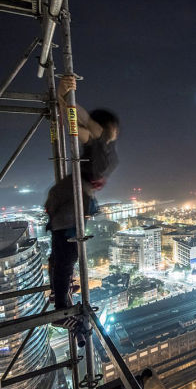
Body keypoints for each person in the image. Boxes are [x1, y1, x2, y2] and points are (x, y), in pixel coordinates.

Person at [45, 76, 119, 316]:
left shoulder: (103, 146)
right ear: (108, 128)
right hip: (69, 202)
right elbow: (74, 121)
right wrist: (63, 94)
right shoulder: (94, 141)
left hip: (73, 200)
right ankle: (61, 307)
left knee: (64, 253)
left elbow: (80, 120)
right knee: (67, 254)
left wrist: (66, 97)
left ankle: (60, 290)